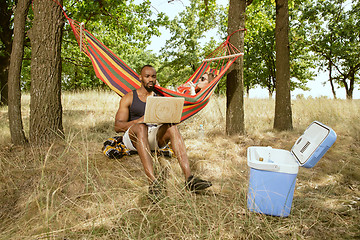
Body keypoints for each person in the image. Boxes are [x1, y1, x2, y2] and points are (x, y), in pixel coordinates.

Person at [114, 65, 212, 201]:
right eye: (147, 76)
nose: (150, 79)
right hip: (133, 138)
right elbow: (118, 126)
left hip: (153, 136)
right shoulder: (129, 97)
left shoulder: (160, 97)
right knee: (141, 127)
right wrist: (139, 121)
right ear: (140, 78)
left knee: (172, 126)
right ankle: (153, 183)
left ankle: (189, 179)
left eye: (153, 76)